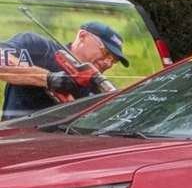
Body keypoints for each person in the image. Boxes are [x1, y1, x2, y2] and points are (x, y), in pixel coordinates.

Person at [0, 19, 129, 118]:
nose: (108, 63)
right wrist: (49, 79)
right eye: (105, 52)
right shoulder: (38, 46)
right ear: (83, 36)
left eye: (114, 60)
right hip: (16, 139)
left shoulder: (99, 88)